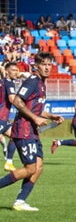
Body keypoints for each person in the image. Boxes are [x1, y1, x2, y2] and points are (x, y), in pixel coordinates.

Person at [0, 52, 64, 211]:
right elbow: (16, 100)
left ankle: (20, 201)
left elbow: (34, 109)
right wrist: (35, 119)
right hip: (24, 129)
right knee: (30, 168)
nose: (47, 68)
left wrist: (51, 115)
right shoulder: (33, 81)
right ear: (36, 66)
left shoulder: (42, 83)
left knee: (39, 167)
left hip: (32, 131)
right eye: (44, 64)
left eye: (49, 65)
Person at [1, 62, 22, 171]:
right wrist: (25, 110)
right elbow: (12, 99)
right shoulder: (9, 83)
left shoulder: (3, 82)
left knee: (15, 135)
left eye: (17, 70)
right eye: (13, 70)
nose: (16, 72)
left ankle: (9, 162)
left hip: (3, 119)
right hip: (0, 118)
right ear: (7, 71)